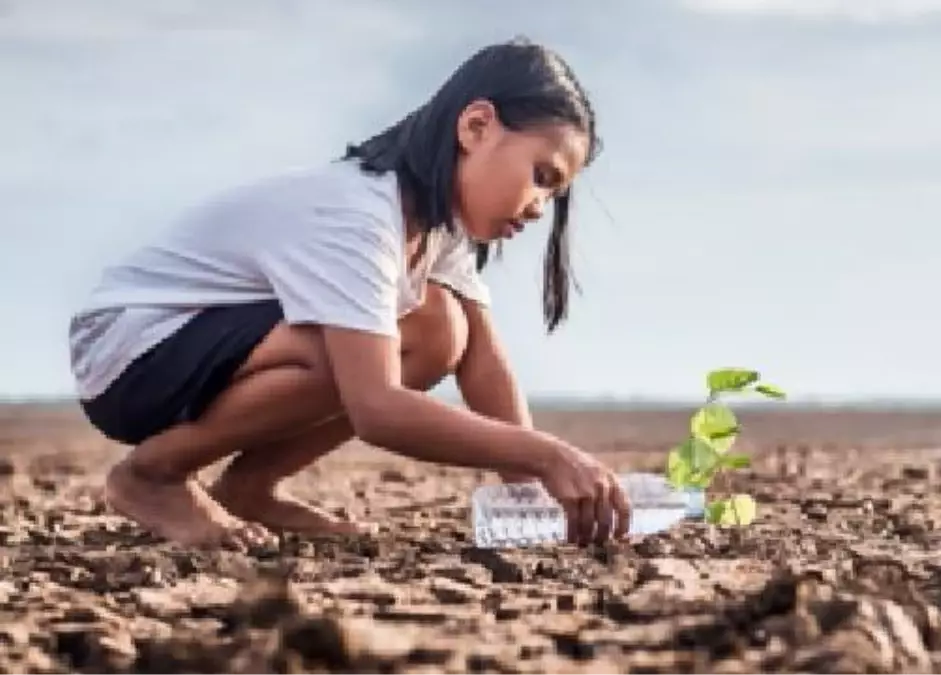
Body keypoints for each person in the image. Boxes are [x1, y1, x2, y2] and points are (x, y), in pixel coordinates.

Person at [66, 37, 632, 551]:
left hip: (202, 345)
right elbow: (377, 408)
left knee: (440, 328)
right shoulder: (359, 214)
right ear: (476, 127)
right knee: (349, 349)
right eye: (542, 176)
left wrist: (535, 493)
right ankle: (153, 475)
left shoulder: (436, 227)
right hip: (131, 351)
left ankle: (249, 487)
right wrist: (547, 455)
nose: (539, 207)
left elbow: (483, 361)